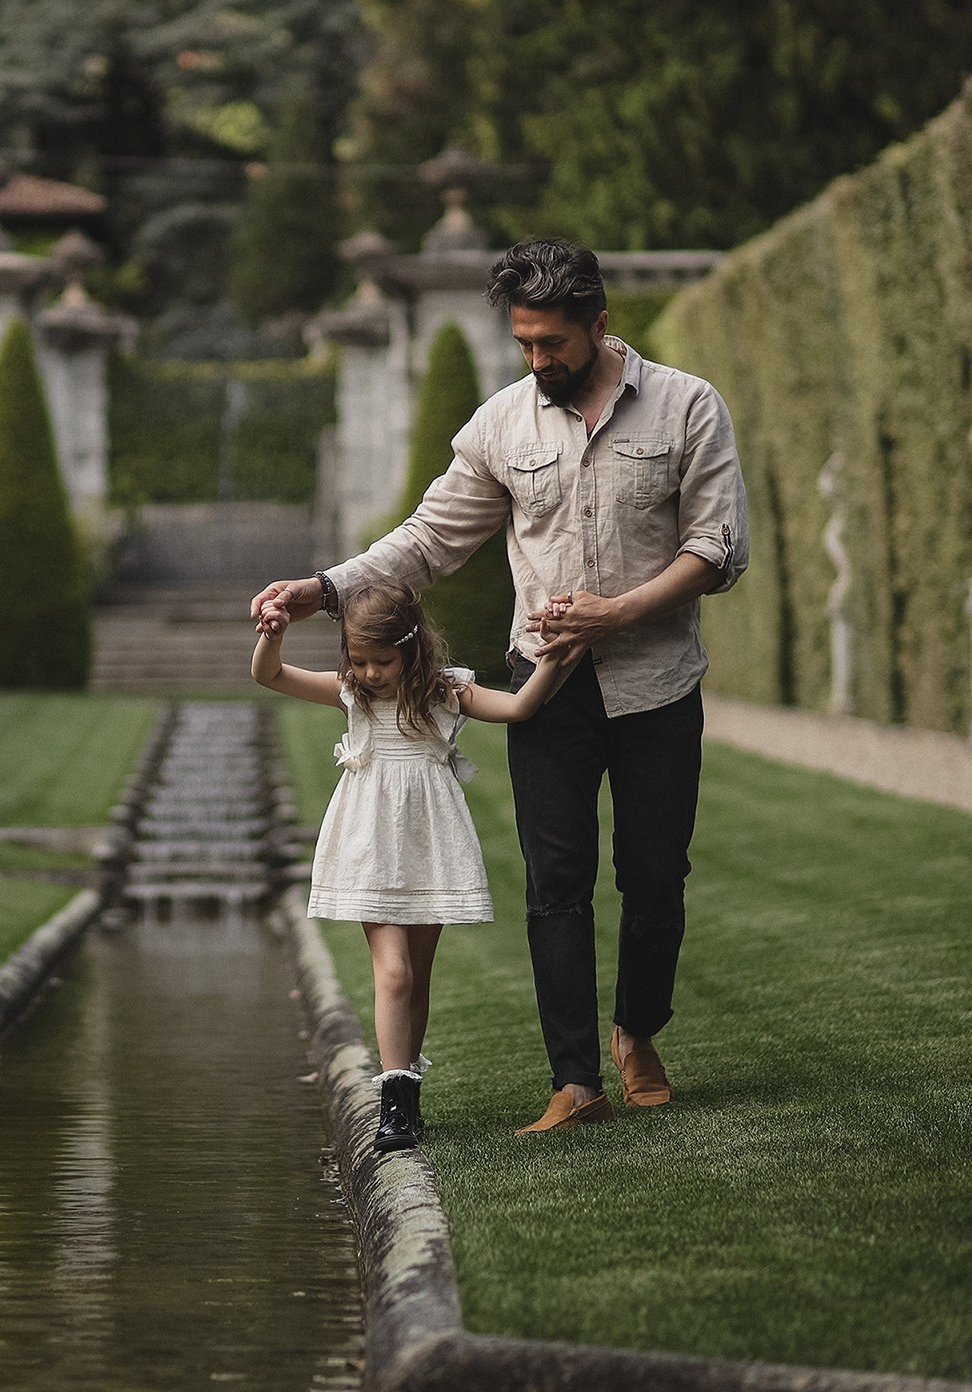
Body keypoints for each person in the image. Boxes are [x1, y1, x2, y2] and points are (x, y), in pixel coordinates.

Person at [253, 237, 748, 1135]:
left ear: (599, 325)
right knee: (554, 881)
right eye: (523, 343)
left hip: (658, 681)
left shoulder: (687, 408)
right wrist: (324, 589)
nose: (537, 360)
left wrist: (618, 612)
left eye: (552, 343)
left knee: (654, 876)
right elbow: (429, 538)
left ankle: (637, 1030)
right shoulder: (501, 426)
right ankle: (575, 1081)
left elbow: (717, 550)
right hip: (544, 686)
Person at [253, 582, 573, 1151]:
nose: (372, 673)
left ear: (413, 648)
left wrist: (553, 657)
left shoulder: (448, 692)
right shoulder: (353, 693)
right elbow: (270, 676)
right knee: (394, 972)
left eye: (383, 661)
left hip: (430, 845)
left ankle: (410, 1093)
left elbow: (520, 707)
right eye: (359, 661)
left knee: (416, 978)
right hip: (372, 845)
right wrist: (272, 637)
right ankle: (392, 1105)